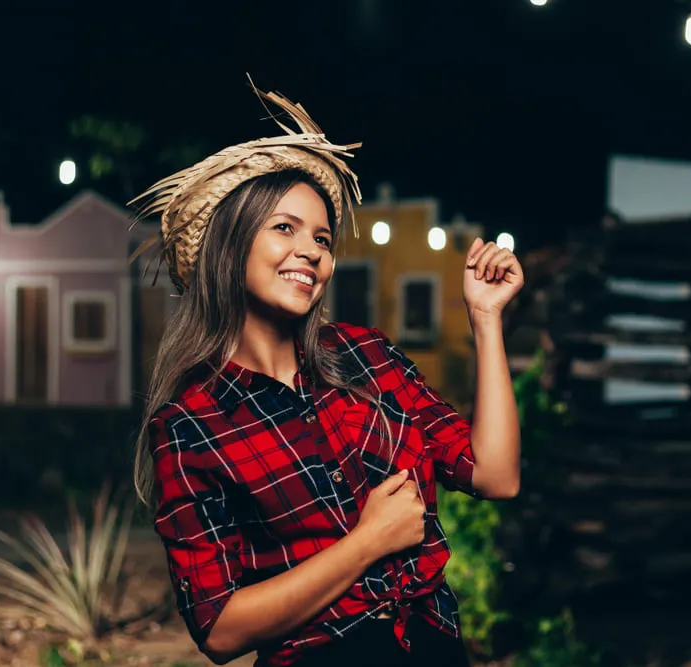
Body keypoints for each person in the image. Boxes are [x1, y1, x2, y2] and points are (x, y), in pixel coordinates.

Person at [130, 76, 523, 667]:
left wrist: (485, 320)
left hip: (432, 650)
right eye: (284, 228)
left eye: (321, 236)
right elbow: (219, 631)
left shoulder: (368, 358)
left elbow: (496, 476)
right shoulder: (191, 427)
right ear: (230, 248)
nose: (312, 251)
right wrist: (367, 543)